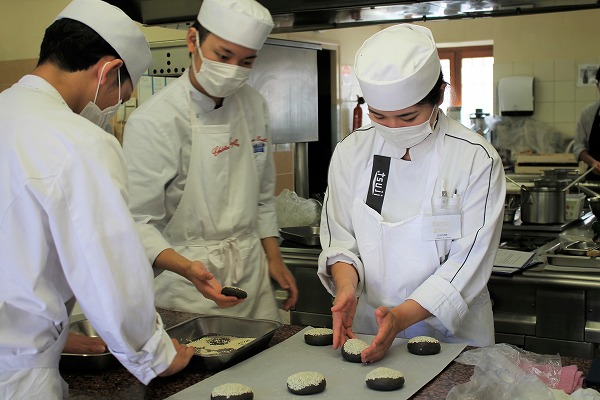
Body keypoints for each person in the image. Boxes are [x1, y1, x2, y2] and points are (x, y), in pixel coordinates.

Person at [0, 1, 195, 397]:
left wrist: (54, 335)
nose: (111, 110)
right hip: (20, 381)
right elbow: (109, 271)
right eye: (121, 95)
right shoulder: (81, 142)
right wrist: (156, 355)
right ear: (108, 71)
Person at [318, 24, 506, 363]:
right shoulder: (352, 151)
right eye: (379, 116)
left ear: (439, 96)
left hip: (452, 338)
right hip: (369, 330)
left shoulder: (475, 158)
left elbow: (468, 263)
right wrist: (345, 287)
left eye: (407, 117)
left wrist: (400, 317)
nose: (393, 128)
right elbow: (340, 239)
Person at [122, 0, 298, 320]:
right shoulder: (155, 119)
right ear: (193, 41)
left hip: (251, 275)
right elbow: (138, 223)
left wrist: (273, 257)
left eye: (246, 61)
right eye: (223, 56)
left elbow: (262, 197)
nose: (233, 69)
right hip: (184, 283)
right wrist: (188, 269)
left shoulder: (254, 105)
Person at [573, 67, 600, 180]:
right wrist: (592, 162)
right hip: (595, 180)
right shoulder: (588, 113)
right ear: (597, 86)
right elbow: (579, 147)